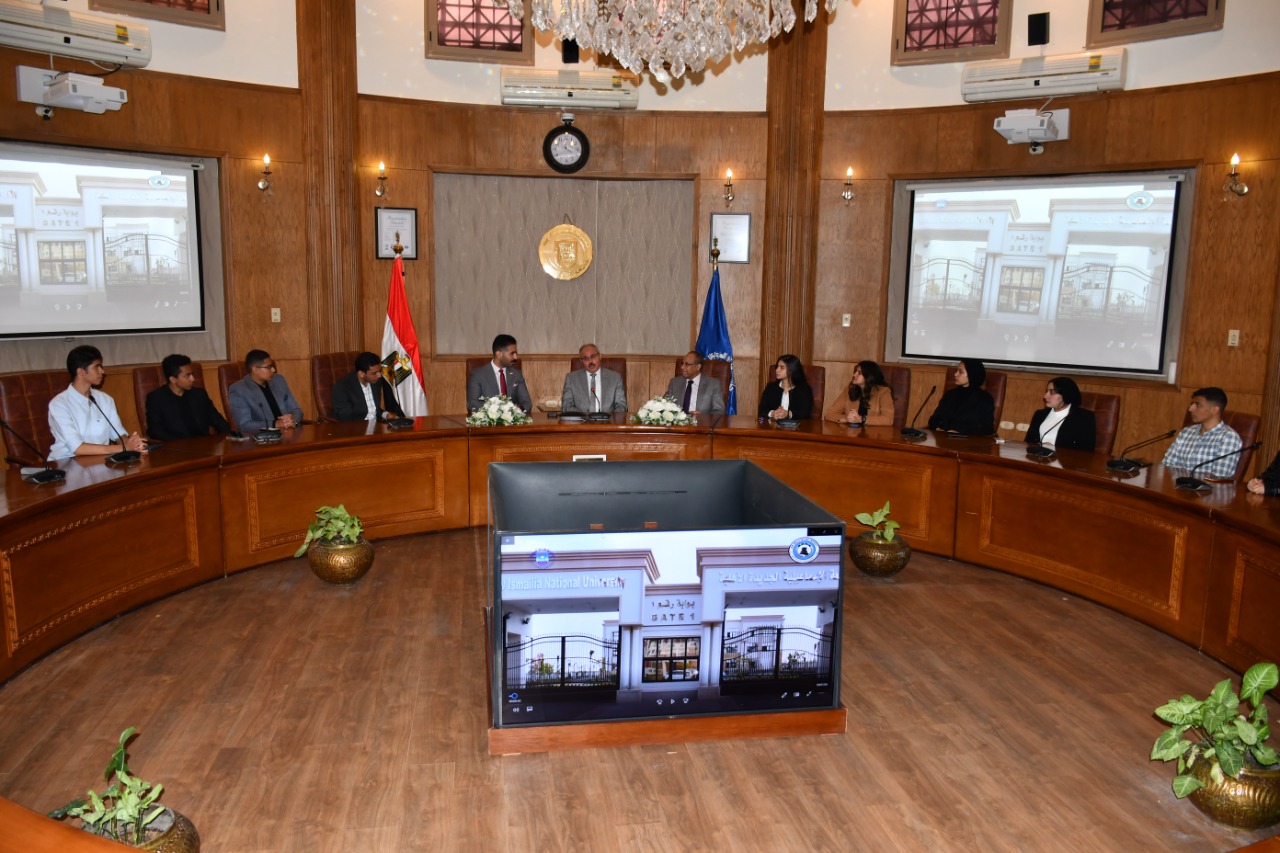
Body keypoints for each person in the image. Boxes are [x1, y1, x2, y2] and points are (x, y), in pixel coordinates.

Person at [48, 344, 147, 459]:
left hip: (100, 460)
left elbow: (119, 436)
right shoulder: (59, 404)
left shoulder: (105, 399)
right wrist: (124, 448)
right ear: (81, 372)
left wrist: (133, 444)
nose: (102, 371)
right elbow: (77, 448)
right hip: (67, 462)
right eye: (97, 367)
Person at [1162, 387, 1242, 479]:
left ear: (1214, 410)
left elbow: (1219, 478)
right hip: (1176, 486)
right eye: (1192, 404)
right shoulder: (1186, 432)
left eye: (1198, 405)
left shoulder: (1228, 437)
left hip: (1206, 488)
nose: (1191, 409)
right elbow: (1166, 466)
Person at [145, 354, 230, 440]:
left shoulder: (199, 394)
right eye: (187, 376)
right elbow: (155, 430)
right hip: (176, 446)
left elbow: (218, 421)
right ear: (173, 379)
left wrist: (229, 437)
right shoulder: (156, 399)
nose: (193, 379)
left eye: (192, 374)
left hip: (204, 444)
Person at [227, 349, 304, 431]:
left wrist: (292, 419)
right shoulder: (239, 390)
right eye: (269, 367)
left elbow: (296, 410)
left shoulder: (279, 380)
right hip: (262, 436)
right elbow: (244, 424)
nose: (273, 370)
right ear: (255, 369)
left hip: (288, 432)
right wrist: (275, 424)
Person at [1024, 377, 1096, 451]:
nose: (1045, 396)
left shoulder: (1084, 417)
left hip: (1065, 458)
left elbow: (1086, 450)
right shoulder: (1039, 414)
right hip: (1036, 457)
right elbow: (1028, 442)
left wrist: (1055, 449)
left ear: (1065, 395)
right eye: (1047, 391)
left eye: (1052, 392)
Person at [332, 352, 406, 422]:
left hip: (376, 425)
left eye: (380, 371)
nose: (379, 375)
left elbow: (373, 409)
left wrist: (386, 414)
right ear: (361, 374)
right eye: (374, 373)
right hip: (357, 428)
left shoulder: (375, 381)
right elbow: (345, 418)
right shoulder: (342, 388)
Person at [467, 334, 532, 413]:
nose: (515, 357)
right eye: (512, 353)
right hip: (489, 419)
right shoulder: (478, 375)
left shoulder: (516, 374)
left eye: (516, 353)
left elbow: (527, 402)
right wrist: (499, 411)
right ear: (499, 354)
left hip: (513, 419)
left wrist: (517, 410)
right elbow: (472, 404)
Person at [927, 358, 995, 435]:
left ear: (972, 374)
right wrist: (938, 429)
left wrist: (961, 433)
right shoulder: (950, 394)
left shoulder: (985, 398)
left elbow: (987, 429)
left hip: (968, 440)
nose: (955, 374)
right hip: (943, 438)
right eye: (956, 371)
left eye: (960, 372)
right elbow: (934, 420)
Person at [562, 343, 627, 413]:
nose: (590, 361)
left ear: (600, 356)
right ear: (581, 361)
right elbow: (566, 406)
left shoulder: (615, 378)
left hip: (608, 419)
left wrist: (611, 417)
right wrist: (582, 416)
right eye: (585, 358)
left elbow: (621, 405)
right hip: (581, 419)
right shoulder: (571, 379)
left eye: (593, 356)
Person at [825, 360, 893, 426]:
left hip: (875, 432)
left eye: (859, 373)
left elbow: (888, 419)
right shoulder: (849, 390)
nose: (854, 375)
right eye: (855, 371)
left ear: (869, 376)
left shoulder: (884, 392)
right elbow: (829, 414)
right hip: (851, 432)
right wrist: (845, 418)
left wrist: (861, 419)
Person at [665, 351, 726, 416]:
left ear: (698, 367)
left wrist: (702, 416)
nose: (682, 367)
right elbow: (664, 404)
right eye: (682, 363)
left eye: (687, 364)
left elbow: (719, 411)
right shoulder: (675, 382)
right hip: (678, 421)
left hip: (701, 422)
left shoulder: (713, 384)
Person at [758, 354, 813, 420]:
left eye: (782, 367)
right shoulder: (771, 388)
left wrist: (788, 413)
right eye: (777, 367)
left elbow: (806, 412)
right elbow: (762, 410)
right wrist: (773, 413)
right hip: (773, 425)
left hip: (796, 425)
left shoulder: (804, 389)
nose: (777, 370)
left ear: (792, 369)